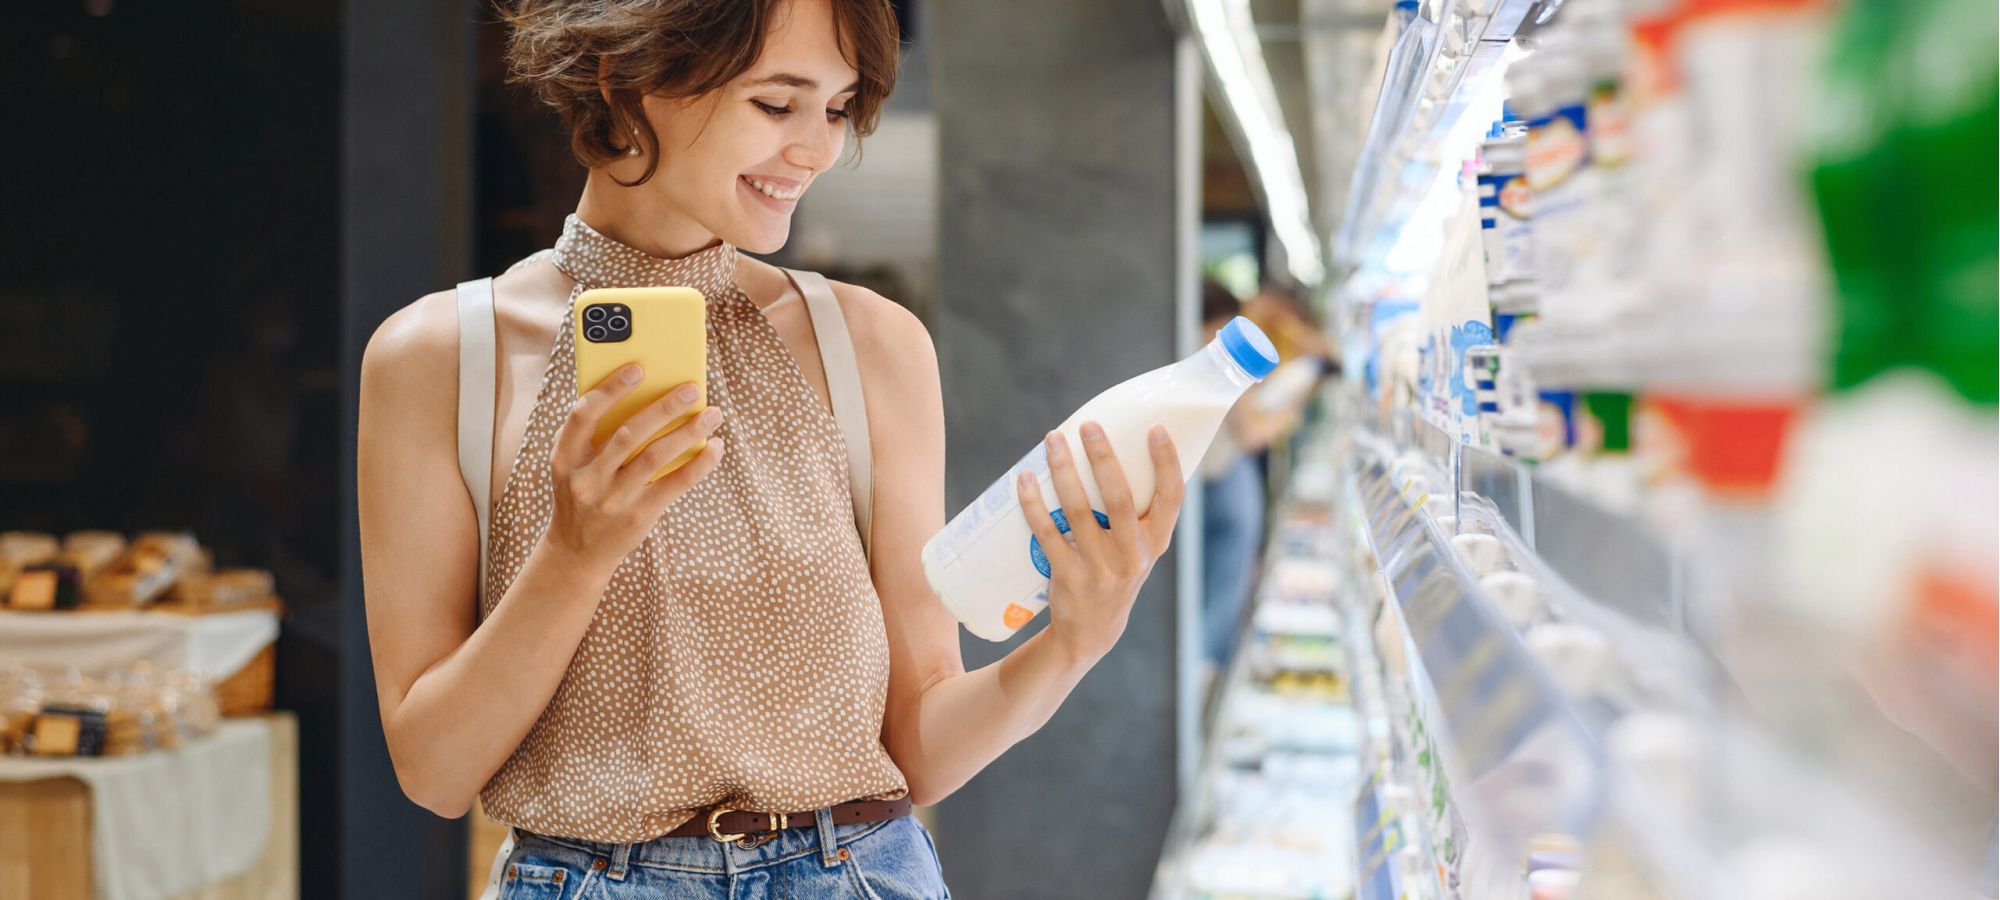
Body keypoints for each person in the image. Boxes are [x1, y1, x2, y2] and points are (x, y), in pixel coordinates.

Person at [355, 2, 1187, 897]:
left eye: (835, 108)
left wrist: (1071, 643)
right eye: (777, 103)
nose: (817, 150)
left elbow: (919, 749)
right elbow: (434, 774)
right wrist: (571, 556)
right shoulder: (439, 360)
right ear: (627, 79)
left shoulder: (872, 346)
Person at [1196, 280, 1301, 683]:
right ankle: (1207, 672)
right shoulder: (1219, 357)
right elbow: (1251, 434)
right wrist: (1287, 415)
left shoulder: (1180, 352)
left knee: (1211, 581)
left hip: (1202, 483)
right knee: (1224, 584)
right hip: (1224, 479)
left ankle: (1203, 671)